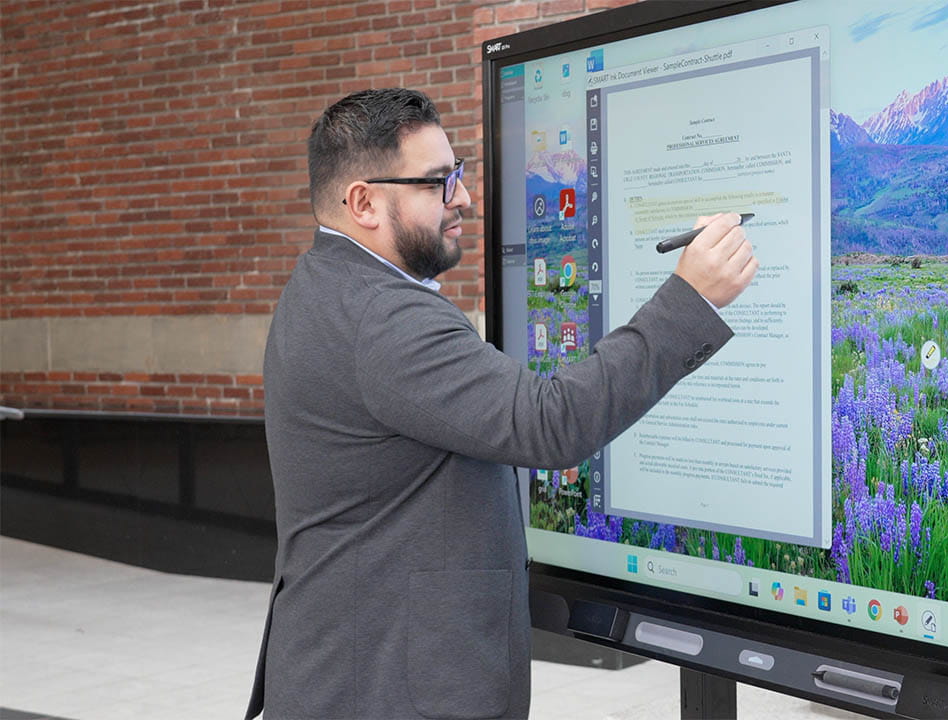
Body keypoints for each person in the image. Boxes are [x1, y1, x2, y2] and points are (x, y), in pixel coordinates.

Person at [245, 88, 756, 719]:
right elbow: (550, 422)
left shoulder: (323, 285)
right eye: (438, 183)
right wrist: (689, 300)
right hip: (383, 690)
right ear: (364, 202)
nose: (463, 198)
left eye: (457, 175)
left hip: (343, 671)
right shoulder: (384, 318)